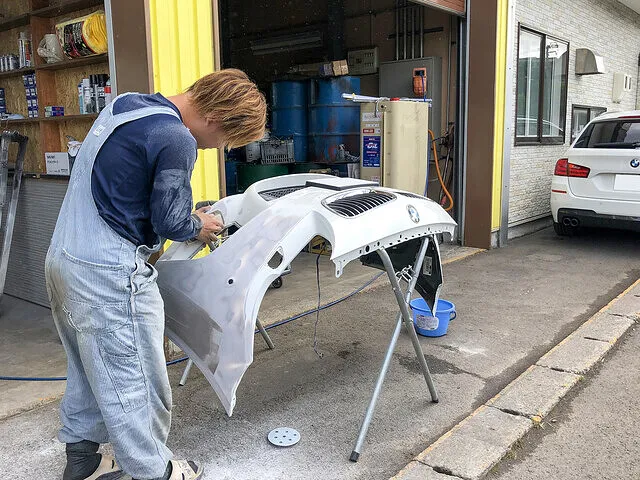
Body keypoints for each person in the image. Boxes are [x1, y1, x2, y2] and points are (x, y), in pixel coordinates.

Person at [45, 69, 267, 480]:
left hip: (65, 257)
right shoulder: (177, 138)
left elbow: (122, 189)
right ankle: (154, 472)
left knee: (89, 368)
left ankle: (84, 461)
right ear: (216, 118)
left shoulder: (125, 106)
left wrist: (182, 215)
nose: (220, 147)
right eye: (226, 139)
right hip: (108, 273)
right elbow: (170, 222)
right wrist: (197, 224)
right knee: (138, 379)